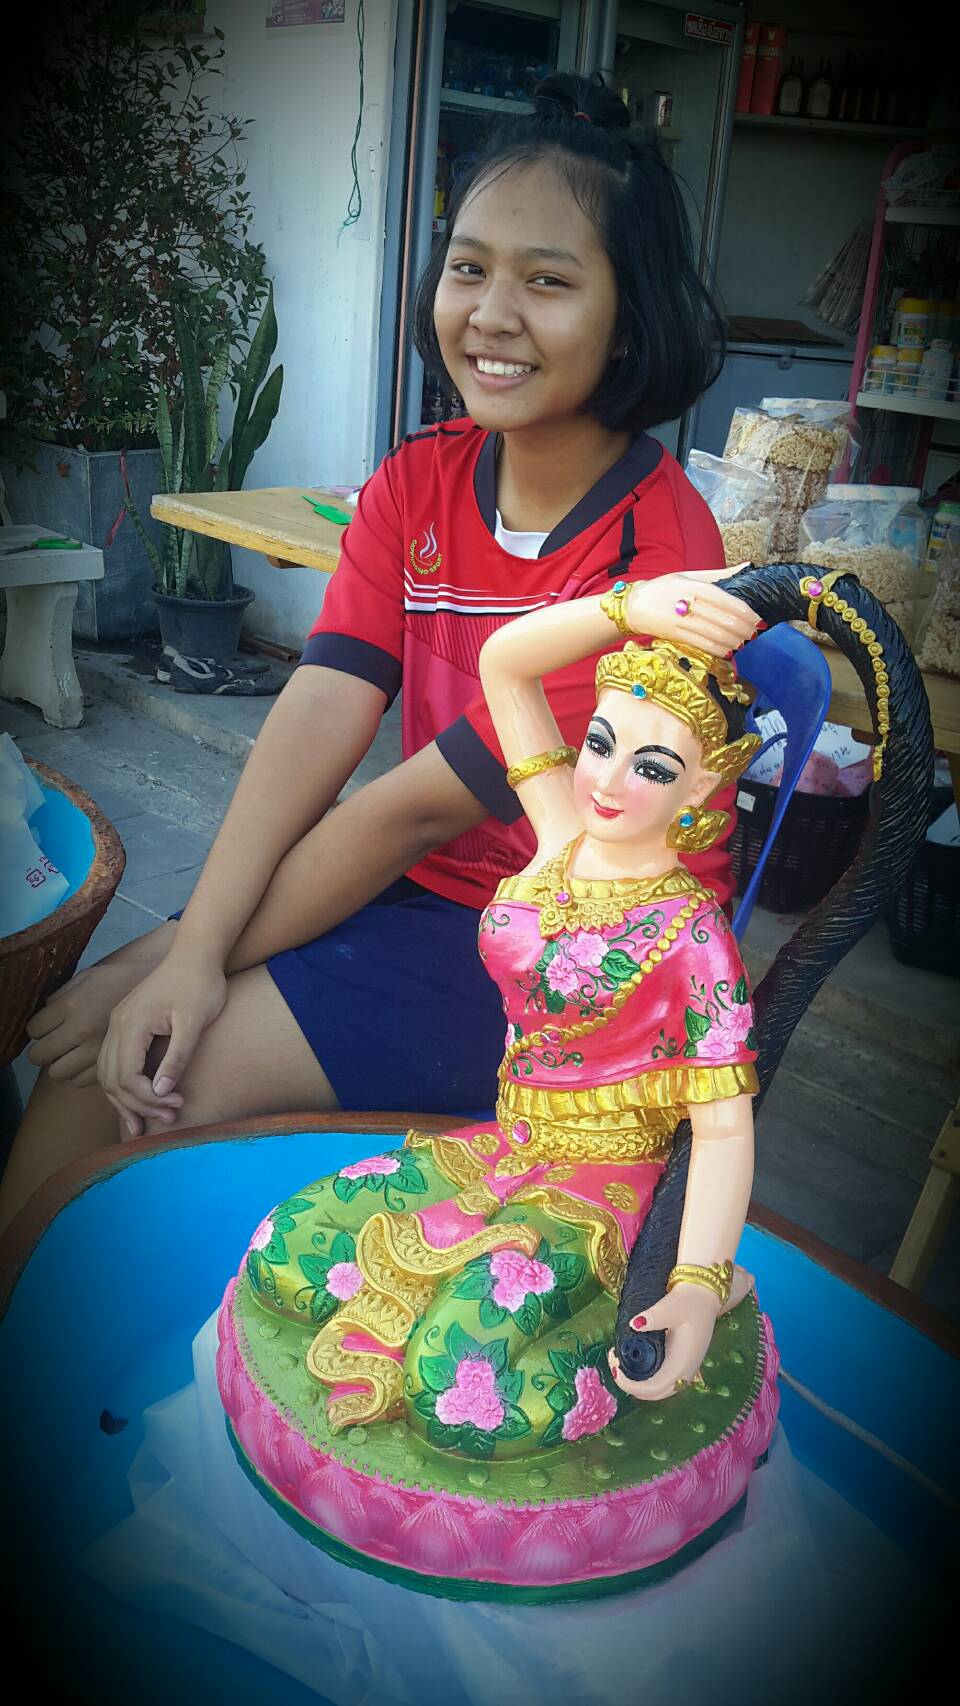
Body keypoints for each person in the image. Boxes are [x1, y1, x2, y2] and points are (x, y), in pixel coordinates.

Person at [0, 74, 758, 1231]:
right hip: (437, 898)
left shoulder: (653, 564)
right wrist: (181, 954)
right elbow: (320, 704)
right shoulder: (421, 479)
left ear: (631, 316)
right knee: (101, 1058)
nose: (491, 312)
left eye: (548, 280)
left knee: (128, 1081)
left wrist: (160, 963)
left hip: (581, 969)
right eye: (469, 266)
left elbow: (401, 814)